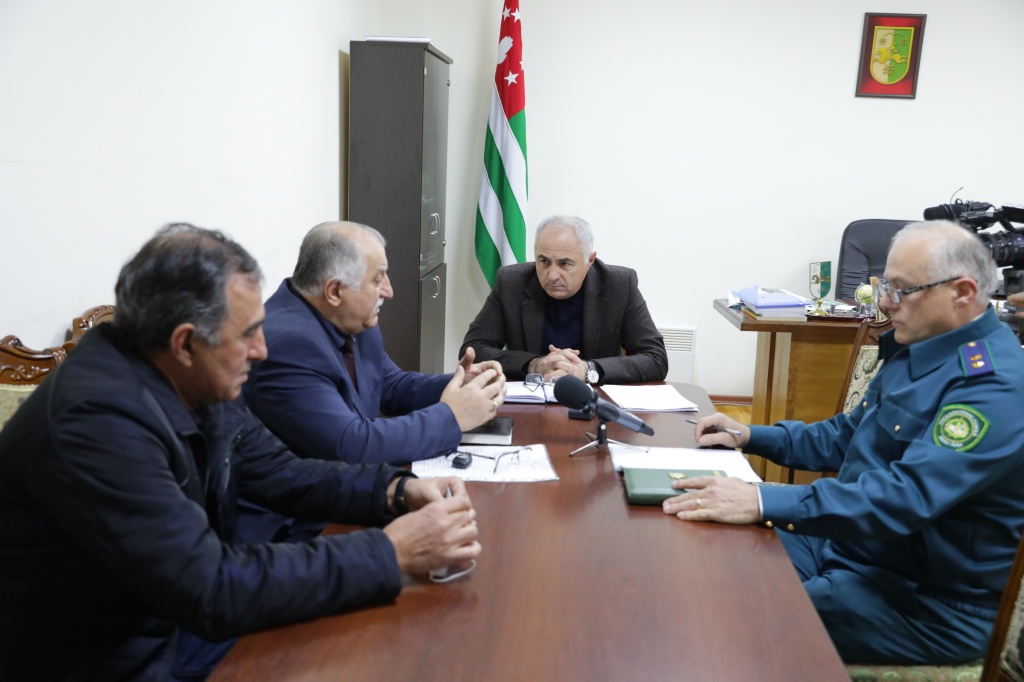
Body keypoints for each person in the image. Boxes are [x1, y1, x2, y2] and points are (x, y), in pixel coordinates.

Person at [0, 224, 481, 681]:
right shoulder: (98, 424)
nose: (262, 350)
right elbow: (209, 587)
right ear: (185, 342)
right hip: (115, 658)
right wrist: (390, 553)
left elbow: (281, 472)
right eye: (247, 334)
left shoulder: (189, 374)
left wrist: (396, 491)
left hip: (177, 617)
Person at [665, 220, 1024, 665]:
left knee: (734, 614)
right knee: (706, 557)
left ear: (963, 293)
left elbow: (904, 498)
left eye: (901, 290)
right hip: (851, 545)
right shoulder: (923, 346)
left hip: (923, 600)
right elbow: (847, 435)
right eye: (885, 286)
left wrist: (760, 500)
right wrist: (752, 436)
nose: (886, 303)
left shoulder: (994, 386)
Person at [243, 221, 506, 467]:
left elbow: (389, 385)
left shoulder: (352, 318)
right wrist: (452, 416)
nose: (389, 291)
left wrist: (460, 383)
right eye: (377, 280)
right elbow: (350, 444)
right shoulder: (288, 345)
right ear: (334, 291)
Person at [460, 215, 668, 384]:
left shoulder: (619, 285)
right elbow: (472, 349)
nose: (552, 275)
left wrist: (588, 369)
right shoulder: (511, 282)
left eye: (565, 264)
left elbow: (655, 358)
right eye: (543, 261)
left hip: (594, 402)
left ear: (590, 260)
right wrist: (533, 365)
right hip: (531, 401)